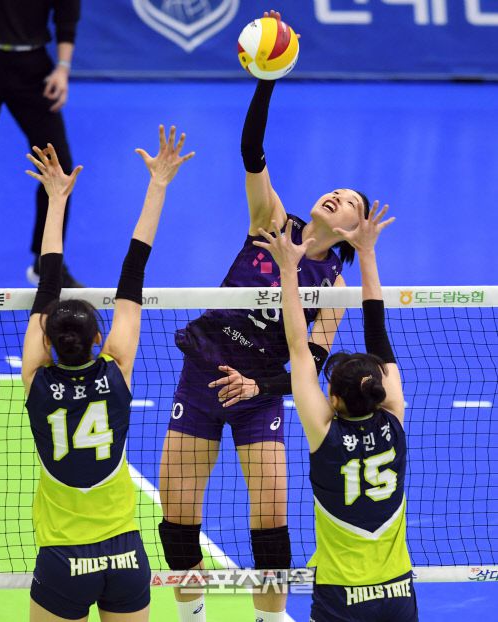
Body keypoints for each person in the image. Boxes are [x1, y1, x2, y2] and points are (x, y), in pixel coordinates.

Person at [157, 10, 371, 622]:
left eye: (350, 204)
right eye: (336, 191)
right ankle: (193, 616)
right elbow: (252, 151)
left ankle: (270, 619)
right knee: (178, 519)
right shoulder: (273, 222)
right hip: (203, 372)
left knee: (271, 526)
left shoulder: (334, 287)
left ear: (353, 232)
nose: (337, 196)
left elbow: (315, 365)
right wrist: (268, 78)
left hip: (259, 393)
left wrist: (258, 386)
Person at [21, 126, 194, 621]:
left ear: (47, 341)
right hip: (125, 555)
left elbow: (48, 279)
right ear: (99, 339)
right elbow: (134, 270)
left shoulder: (37, 380)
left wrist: (56, 199)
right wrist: (158, 185)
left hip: (63, 558)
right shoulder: (118, 368)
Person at [254, 202, 418, 622]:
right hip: (398, 591)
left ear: (334, 401)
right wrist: (368, 253)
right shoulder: (394, 419)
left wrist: (288, 271)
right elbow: (377, 332)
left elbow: (297, 347)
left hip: (340, 596)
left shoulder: (324, 434)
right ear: (379, 391)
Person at [0, 0, 82, 287]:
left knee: (59, 170)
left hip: (32, 71)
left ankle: (46, 265)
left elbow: (66, 18)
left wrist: (62, 69)